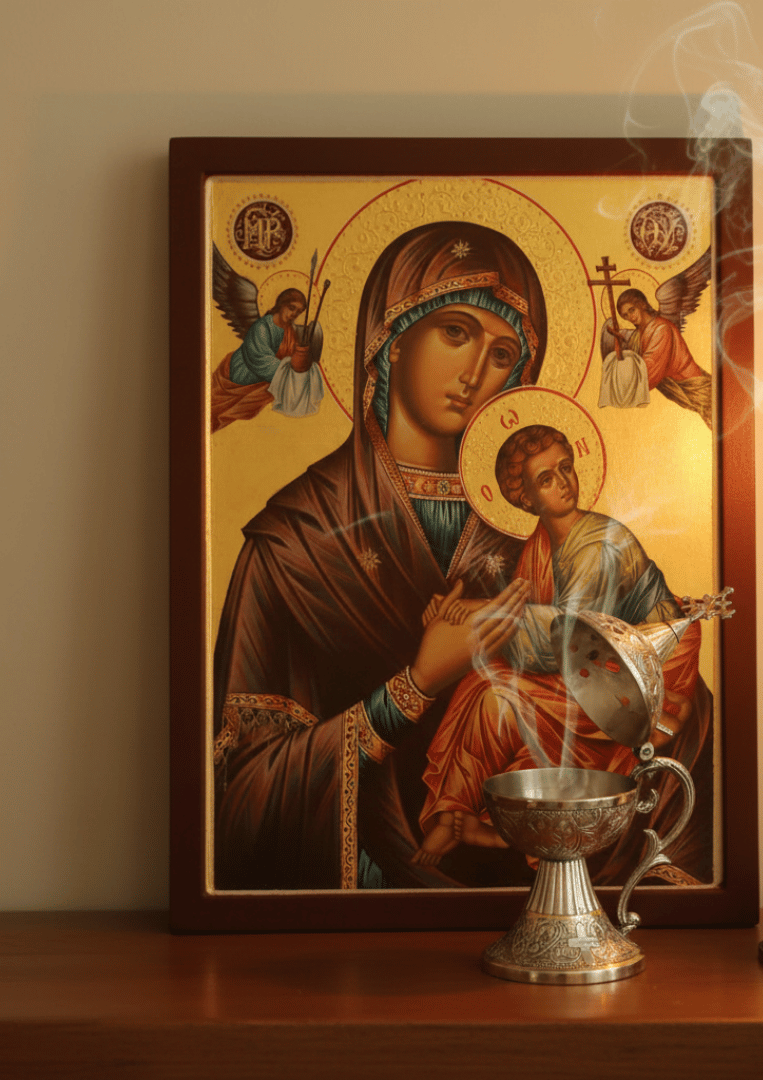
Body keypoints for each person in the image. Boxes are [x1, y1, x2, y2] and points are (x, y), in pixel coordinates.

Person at [212, 222, 550, 890]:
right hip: (357, 897)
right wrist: (413, 687)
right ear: (391, 339)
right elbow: (243, 799)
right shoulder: (295, 540)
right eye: (455, 332)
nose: (475, 373)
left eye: (503, 353)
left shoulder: (535, 535)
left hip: (518, 883)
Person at [412, 424, 711, 883]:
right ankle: (454, 813)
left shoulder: (600, 542)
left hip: (639, 675)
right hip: (589, 666)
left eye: (566, 468)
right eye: (546, 478)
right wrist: (462, 613)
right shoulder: (541, 545)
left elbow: (569, 635)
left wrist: (474, 612)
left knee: (497, 697)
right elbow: (527, 620)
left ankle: (495, 827)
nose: (564, 482)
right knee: (485, 683)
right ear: (525, 497)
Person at [210, 286, 325, 432]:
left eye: (298, 312)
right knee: (269, 392)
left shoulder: (290, 331)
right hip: (241, 374)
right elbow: (259, 359)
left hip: (266, 375)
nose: (294, 314)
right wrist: (288, 372)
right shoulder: (262, 327)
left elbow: (292, 357)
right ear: (281, 304)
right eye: (291, 308)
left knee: (278, 390)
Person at [612, 288, 713, 428]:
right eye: (625, 315)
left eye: (632, 310)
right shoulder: (639, 334)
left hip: (695, 387)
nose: (631, 317)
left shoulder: (661, 329)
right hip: (680, 389)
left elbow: (650, 369)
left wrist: (624, 387)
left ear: (642, 304)